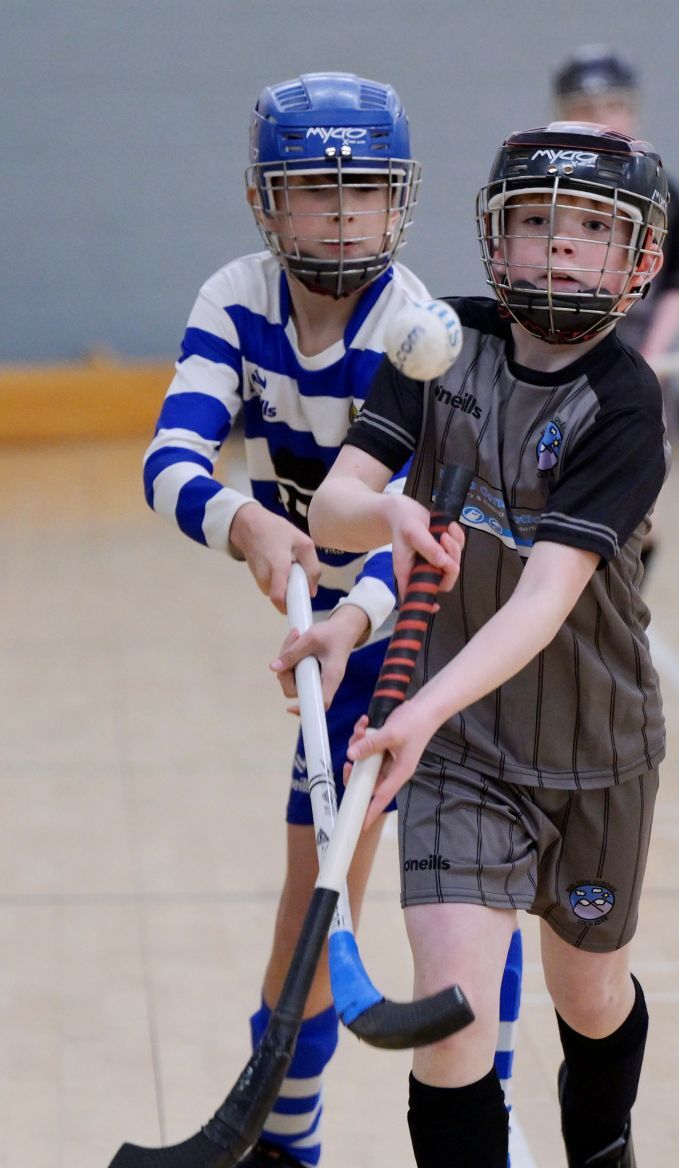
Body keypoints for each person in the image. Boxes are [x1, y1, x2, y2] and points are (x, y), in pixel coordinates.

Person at [142, 71, 521, 1167]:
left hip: (435, 628)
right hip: (332, 638)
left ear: (400, 201)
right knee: (312, 907)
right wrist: (244, 526)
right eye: (317, 189)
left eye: (365, 191)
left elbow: (434, 535)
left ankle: (476, 1123)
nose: (345, 213)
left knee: (465, 896)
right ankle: (285, 1146)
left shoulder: (422, 330)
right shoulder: (235, 299)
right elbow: (170, 459)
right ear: (269, 200)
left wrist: (354, 606)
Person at [293, 121, 670, 1168]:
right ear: (496, 238)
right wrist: (393, 522)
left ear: (634, 257)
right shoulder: (440, 341)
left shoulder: (626, 407)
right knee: (450, 1017)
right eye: (539, 221)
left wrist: (408, 710)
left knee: (589, 999)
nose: (559, 247)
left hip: (598, 749)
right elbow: (335, 506)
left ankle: (603, 1149)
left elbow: (543, 600)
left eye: (590, 228)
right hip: (462, 748)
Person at [554, 44, 679, 573]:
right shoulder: (541, 189)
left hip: (637, 368)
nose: (602, 120)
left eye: (614, 106)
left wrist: (654, 356)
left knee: (639, 512)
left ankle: (618, 611)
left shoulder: (660, 190)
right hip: (560, 367)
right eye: (586, 108)